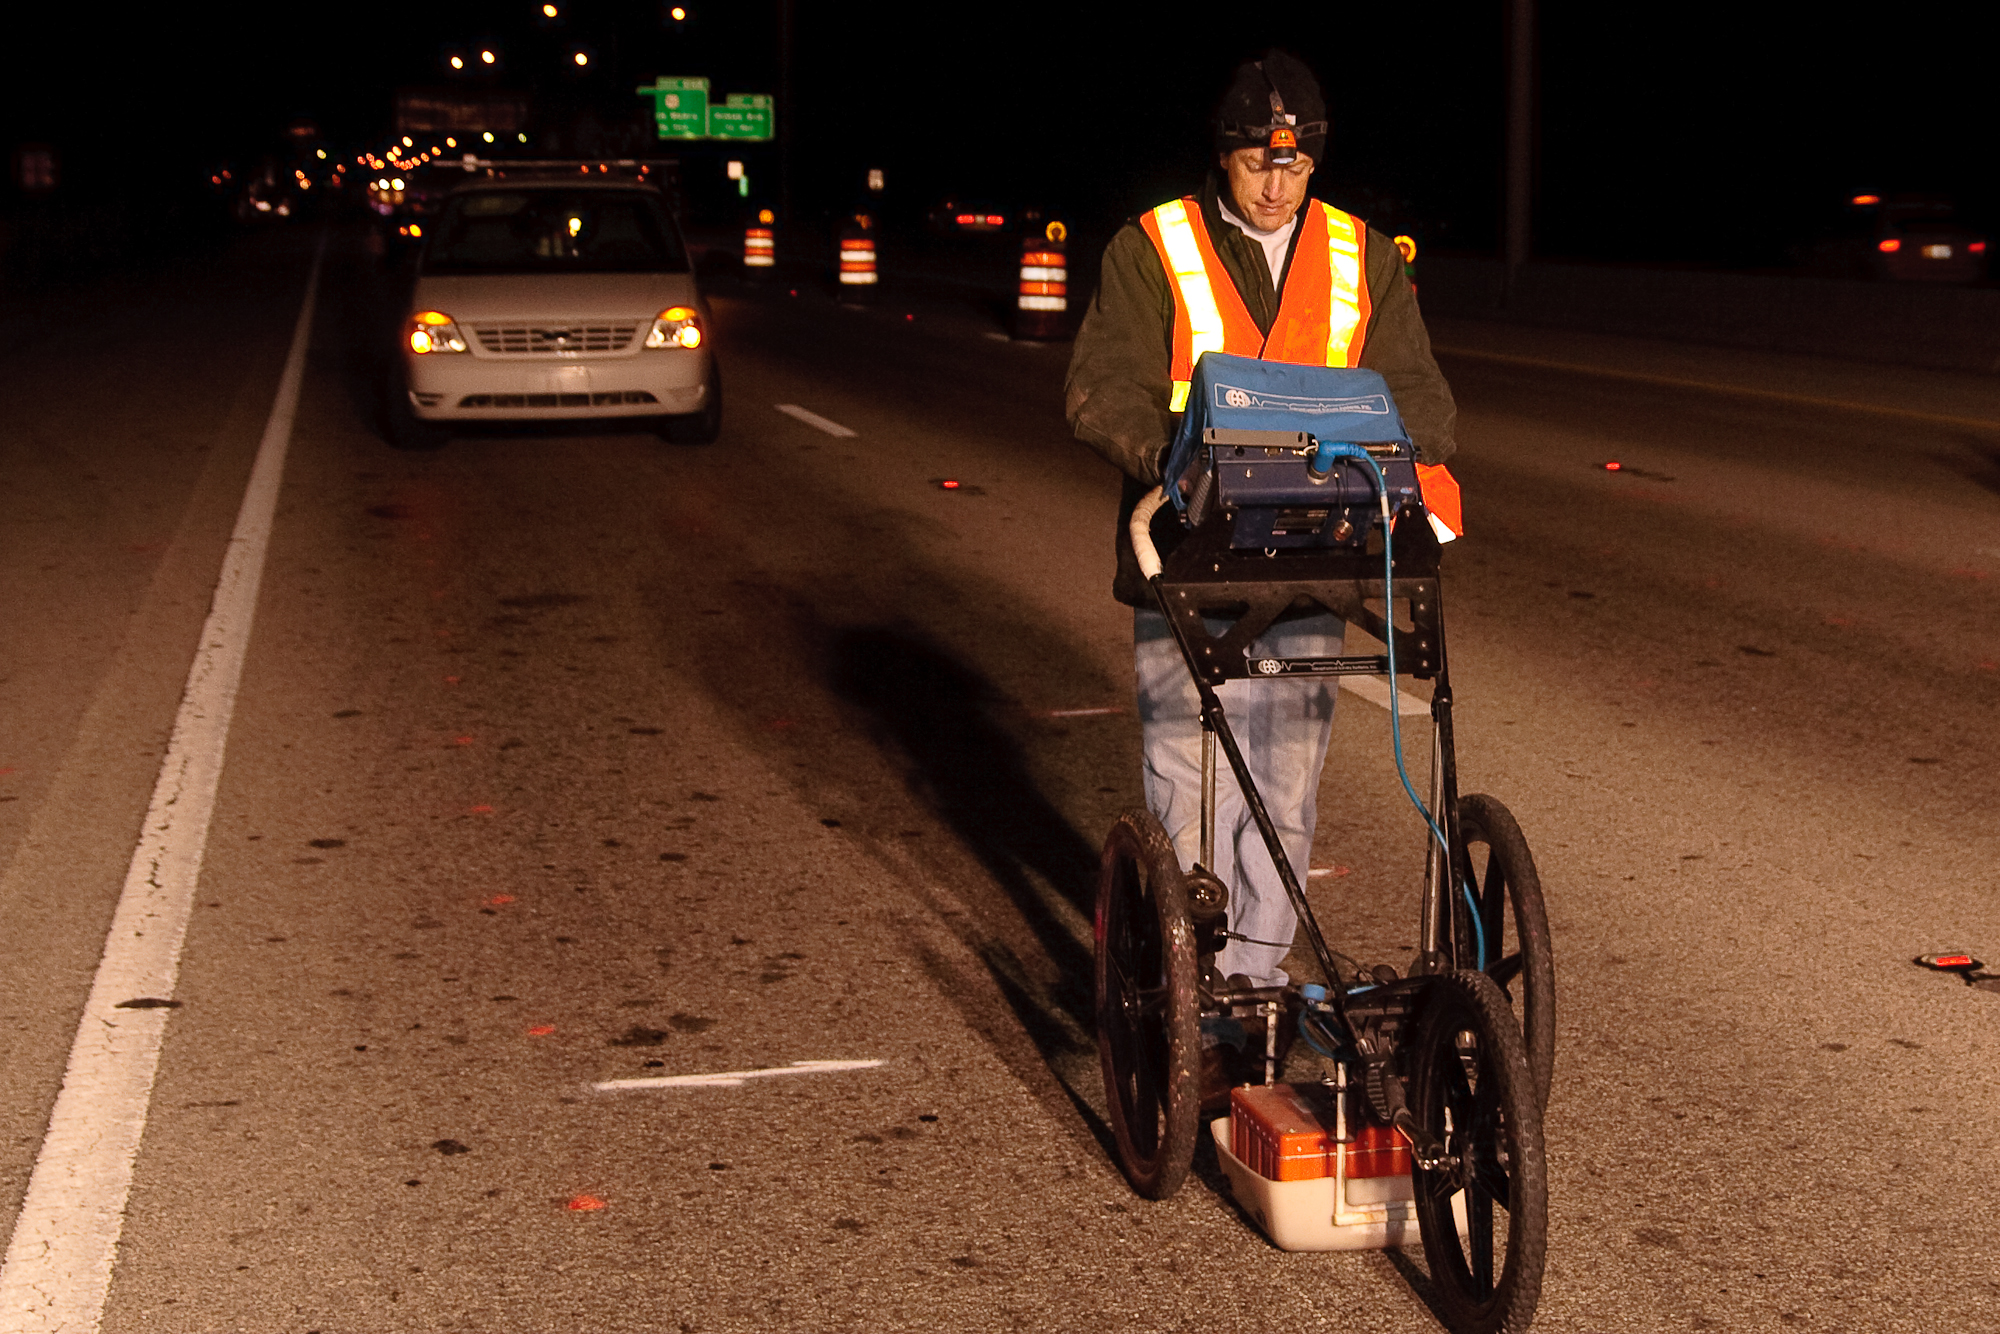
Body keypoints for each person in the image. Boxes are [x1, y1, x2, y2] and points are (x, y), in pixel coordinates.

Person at [1065, 51, 1460, 998]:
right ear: (1224, 156)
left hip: (1311, 557)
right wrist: (1188, 455)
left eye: (1296, 168)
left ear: (1317, 164)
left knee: (1282, 786)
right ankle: (1183, 978)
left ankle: (1257, 977)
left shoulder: (1365, 256)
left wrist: (1370, 448)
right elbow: (1095, 390)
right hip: (1187, 555)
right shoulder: (1152, 246)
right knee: (1189, 781)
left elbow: (1428, 406)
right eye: (1257, 166)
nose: (1277, 186)